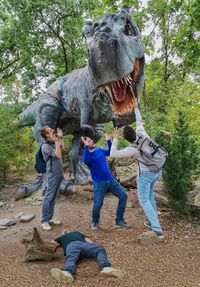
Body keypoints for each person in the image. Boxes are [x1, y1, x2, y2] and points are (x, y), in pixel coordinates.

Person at [110, 100, 164, 239]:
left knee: (144, 199)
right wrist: (135, 108)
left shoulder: (132, 149)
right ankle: (152, 222)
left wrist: (115, 139)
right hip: (157, 170)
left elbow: (113, 154)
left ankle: (157, 229)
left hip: (145, 175)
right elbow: (139, 121)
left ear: (126, 139)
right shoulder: (142, 133)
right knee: (150, 195)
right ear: (134, 131)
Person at [81, 135, 129, 230]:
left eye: (91, 140)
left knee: (124, 196)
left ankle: (119, 220)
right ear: (85, 144)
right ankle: (95, 222)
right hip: (99, 183)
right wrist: (86, 147)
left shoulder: (99, 150)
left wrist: (109, 141)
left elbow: (109, 152)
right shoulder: (87, 155)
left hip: (111, 180)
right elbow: (86, 161)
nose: (92, 141)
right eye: (89, 141)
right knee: (98, 204)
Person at [50, 230, 123, 283]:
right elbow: (52, 243)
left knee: (99, 249)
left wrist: (93, 246)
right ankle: (67, 273)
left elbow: (88, 240)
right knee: (72, 256)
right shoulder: (61, 237)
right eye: (64, 231)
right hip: (74, 246)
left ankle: (106, 268)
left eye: (66, 230)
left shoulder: (76, 232)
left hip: (79, 245)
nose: (65, 231)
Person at [40, 126, 64, 231]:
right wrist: (56, 141)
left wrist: (60, 138)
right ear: (47, 135)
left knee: (54, 196)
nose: (53, 130)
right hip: (52, 174)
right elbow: (58, 155)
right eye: (50, 130)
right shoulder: (45, 146)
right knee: (48, 197)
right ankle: (44, 221)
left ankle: (50, 218)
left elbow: (62, 148)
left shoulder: (52, 143)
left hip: (59, 173)